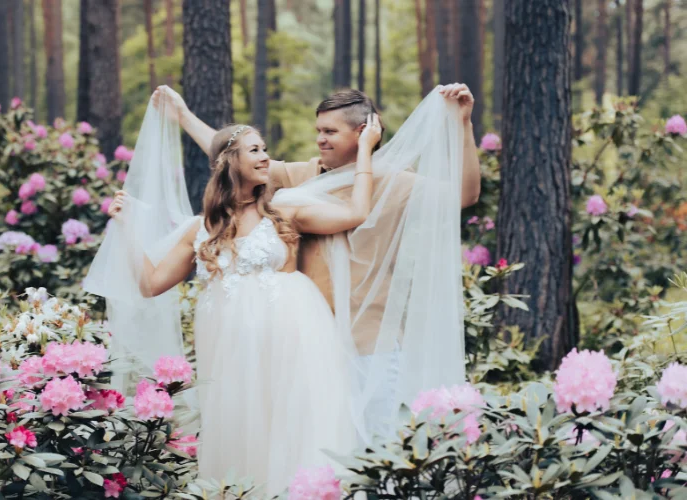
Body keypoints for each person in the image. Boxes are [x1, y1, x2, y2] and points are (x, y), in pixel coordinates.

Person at [153, 84, 481, 438]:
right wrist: (183, 116)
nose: (320, 140)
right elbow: (233, 155)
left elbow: (464, 195)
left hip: (370, 344)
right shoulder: (303, 174)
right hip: (308, 344)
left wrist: (463, 123)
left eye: (329, 132)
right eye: (318, 130)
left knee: (378, 444)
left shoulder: (395, 183)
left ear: (362, 132)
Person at [91, 110, 383, 494]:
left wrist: (365, 149)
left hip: (290, 335)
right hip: (229, 348)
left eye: (264, 149)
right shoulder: (201, 229)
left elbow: (356, 213)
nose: (265, 157)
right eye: (254, 150)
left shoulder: (284, 210)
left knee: (293, 422)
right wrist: (127, 227)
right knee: (241, 425)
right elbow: (150, 284)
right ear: (230, 162)